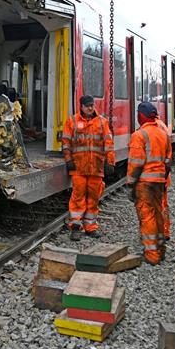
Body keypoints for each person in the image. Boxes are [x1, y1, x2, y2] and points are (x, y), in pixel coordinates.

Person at [61, 95, 115, 241]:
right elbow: (66, 143)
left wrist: (110, 162)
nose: (90, 108)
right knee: (78, 197)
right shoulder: (72, 121)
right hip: (78, 167)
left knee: (94, 198)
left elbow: (108, 144)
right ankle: (76, 227)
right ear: (81, 106)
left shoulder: (102, 122)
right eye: (87, 106)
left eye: (92, 105)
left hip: (96, 168)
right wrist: (68, 160)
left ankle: (90, 227)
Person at [128, 102, 172, 265]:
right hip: (159, 181)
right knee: (158, 213)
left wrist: (131, 184)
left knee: (146, 216)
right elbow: (168, 161)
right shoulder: (163, 133)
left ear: (141, 115)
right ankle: (161, 250)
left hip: (144, 183)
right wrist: (162, 177)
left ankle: (151, 254)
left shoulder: (139, 135)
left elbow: (136, 163)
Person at [154, 115, 172, 244]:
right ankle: (165, 232)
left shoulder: (150, 128)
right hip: (164, 176)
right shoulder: (163, 126)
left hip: (154, 176)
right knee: (163, 204)